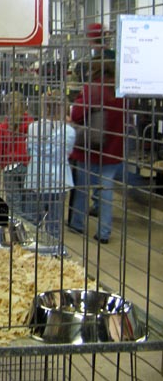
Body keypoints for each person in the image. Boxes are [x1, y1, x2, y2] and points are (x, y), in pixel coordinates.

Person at [67, 50, 124, 244]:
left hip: (89, 150)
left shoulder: (93, 88)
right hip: (114, 150)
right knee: (106, 192)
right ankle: (104, 232)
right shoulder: (120, 90)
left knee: (82, 189)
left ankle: (77, 224)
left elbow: (76, 115)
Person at [24, 89, 76, 249]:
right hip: (58, 179)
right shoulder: (69, 131)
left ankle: (33, 249)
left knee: (33, 219)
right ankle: (53, 251)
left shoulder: (33, 127)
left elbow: (30, 150)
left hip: (36, 177)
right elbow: (68, 152)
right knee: (54, 221)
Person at [0, 91, 33, 218]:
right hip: (29, 167)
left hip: (9, 167)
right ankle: (28, 229)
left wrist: (2, 164)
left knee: (14, 203)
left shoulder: (2, 128)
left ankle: (16, 228)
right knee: (28, 202)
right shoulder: (32, 125)